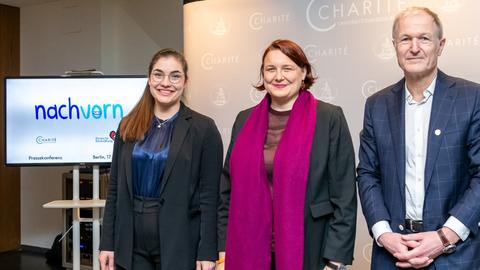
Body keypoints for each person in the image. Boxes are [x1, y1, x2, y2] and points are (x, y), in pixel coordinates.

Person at [217, 39, 357, 270]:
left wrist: (335, 260)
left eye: (288, 68)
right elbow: (226, 190)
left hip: (311, 249)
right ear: (263, 74)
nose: (278, 76)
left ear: (303, 73)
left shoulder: (328, 118)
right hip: (247, 248)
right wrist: (223, 249)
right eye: (270, 69)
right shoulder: (244, 119)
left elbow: (344, 194)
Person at [357, 7, 480, 269]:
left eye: (424, 38)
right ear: (395, 46)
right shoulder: (376, 105)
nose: (414, 47)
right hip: (392, 255)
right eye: (405, 39)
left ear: (441, 45)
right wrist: (384, 234)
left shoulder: (472, 98)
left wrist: (444, 236)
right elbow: (368, 173)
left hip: (455, 254)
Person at [99, 48, 223, 270]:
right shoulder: (127, 125)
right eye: (158, 74)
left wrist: (207, 252)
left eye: (175, 76)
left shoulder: (203, 129)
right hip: (131, 244)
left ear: (185, 82)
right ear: (149, 79)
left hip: (180, 243)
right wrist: (107, 243)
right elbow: (115, 189)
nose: (166, 82)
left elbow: (210, 197)